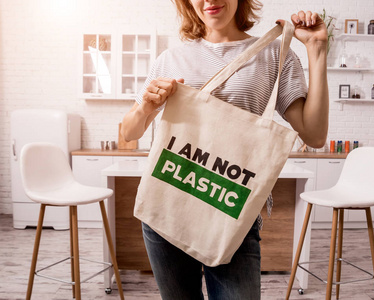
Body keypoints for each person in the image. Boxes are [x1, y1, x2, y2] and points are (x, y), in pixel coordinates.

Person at [121, 0, 329, 299]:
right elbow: (129, 131)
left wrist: (317, 50)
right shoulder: (171, 58)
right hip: (166, 206)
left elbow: (315, 134)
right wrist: (147, 107)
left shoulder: (274, 53)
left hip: (232, 211)